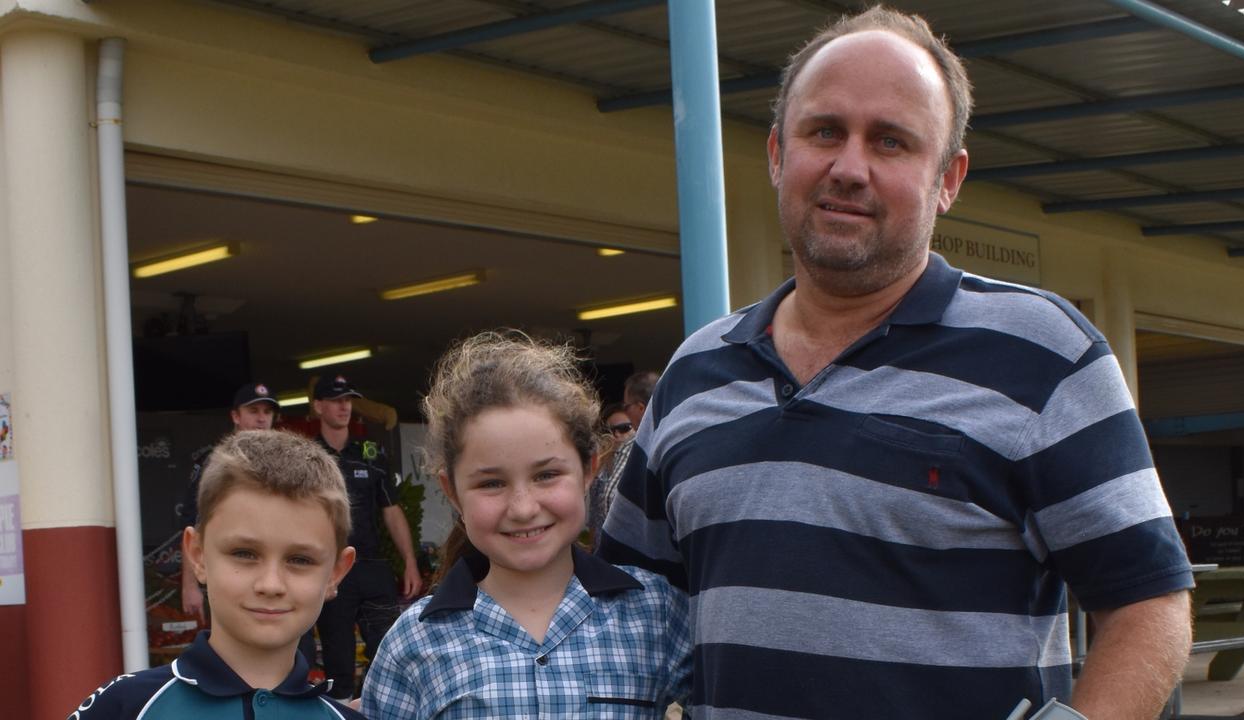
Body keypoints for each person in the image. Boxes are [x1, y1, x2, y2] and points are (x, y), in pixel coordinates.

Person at [598, 7, 1194, 720]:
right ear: (775, 155)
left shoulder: (1043, 354)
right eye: (824, 131)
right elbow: (631, 606)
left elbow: (1147, 602)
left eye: (890, 142)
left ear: (948, 179)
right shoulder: (696, 371)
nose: (849, 168)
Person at [360, 331, 690, 719]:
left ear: (588, 471)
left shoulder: (654, 611)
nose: (522, 507)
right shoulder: (413, 641)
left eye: (547, 475)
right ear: (452, 492)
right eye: (491, 483)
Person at [67, 430, 365, 719]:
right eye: (244, 553)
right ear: (197, 554)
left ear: (336, 573)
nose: (270, 584)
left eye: (300, 559)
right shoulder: (123, 707)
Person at [311, 374, 423, 702]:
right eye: (335, 400)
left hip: (372, 566)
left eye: (348, 400)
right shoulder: (308, 455)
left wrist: (410, 562)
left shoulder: (370, 452)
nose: (344, 406)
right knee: (338, 659)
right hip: (331, 570)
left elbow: (391, 509)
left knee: (389, 651)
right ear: (319, 407)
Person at [178, 382, 280, 625]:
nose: (261, 419)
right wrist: (189, 585)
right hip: (232, 575)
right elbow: (192, 526)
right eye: (253, 411)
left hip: (276, 575)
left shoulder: (287, 464)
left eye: (267, 412)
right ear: (235, 416)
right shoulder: (214, 464)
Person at [588, 370, 657, 545]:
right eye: (611, 431)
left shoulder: (636, 445)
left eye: (626, 407)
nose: (617, 435)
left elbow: (609, 500)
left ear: (641, 408)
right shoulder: (678, 437)